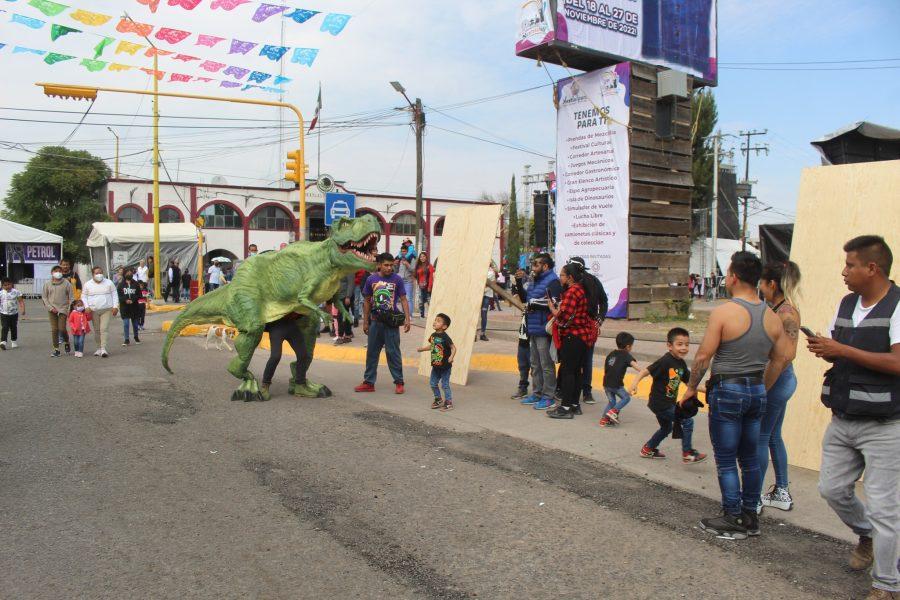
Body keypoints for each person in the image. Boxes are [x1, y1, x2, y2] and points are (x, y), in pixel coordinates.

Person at [807, 235, 899, 600]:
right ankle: (868, 536)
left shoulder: (896, 306)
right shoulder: (847, 303)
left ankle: (886, 585)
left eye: (850, 265)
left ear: (872, 268)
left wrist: (842, 348)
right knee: (831, 488)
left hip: (885, 425)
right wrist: (826, 350)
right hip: (843, 418)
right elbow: (841, 353)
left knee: (884, 507)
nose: (844, 272)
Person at [681, 251, 792, 540]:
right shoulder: (772, 316)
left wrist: (691, 388)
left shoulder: (724, 312)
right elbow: (781, 359)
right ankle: (750, 517)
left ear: (733, 277)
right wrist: (762, 388)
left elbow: (704, 356)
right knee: (751, 460)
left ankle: (732, 517)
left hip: (727, 390)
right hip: (756, 390)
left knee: (727, 458)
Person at [756, 261, 802, 513]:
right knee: (773, 435)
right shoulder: (779, 309)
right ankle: (781, 490)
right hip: (781, 382)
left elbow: (785, 357)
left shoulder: (785, 314)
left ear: (771, 284)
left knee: (761, 437)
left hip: (778, 382)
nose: (760, 287)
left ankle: (753, 497)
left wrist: (763, 388)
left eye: (762, 283)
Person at [630, 328, 706, 463]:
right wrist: (634, 383)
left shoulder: (681, 364)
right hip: (660, 404)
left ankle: (648, 449)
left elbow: (691, 384)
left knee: (666, 428)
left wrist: (709, 390)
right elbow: (645, 371)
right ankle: (687, 453)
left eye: (687, 345)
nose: (684, 348)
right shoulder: (665, 361)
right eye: (680, 344)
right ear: (669, 346)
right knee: (688, 421)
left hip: (666, 404)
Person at [546, 262, 600, 419]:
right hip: (582, 337)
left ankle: (565, 407)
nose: (560, 277)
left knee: (568, 372)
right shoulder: (581, 290)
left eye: (562, 275)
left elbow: (564, 316)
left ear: (570, 277)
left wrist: (552, 308)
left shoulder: (572, 292)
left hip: (573, 336)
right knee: (576, 372)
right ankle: (575, 404)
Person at [355, 253, 411, 394]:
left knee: (393, 353)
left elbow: (404, 299)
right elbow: (367, 301)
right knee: (372, 353)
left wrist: (407, 319)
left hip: (391, 324)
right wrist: (365, 322)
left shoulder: (397, 280)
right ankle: (369, 382)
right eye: (386, 265)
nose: (389, 268)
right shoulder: (371, 279)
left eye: (391, 265)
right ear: (379, 265)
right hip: (375, 323)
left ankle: (399, 382)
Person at [521, 253, 562, 410]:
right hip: (532, 327)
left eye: (536, 264)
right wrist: (519, 281)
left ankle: (548, 396)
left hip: (543, 329)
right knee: (535, 364)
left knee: (546, 364)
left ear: (545, 266)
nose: (533, 267)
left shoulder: (553, 281)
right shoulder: (534, 280)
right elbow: (526, 298)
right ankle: (537, 393)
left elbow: (555, 303)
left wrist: (535, 305)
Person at [567, 256, 608, 404]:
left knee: (582, 360)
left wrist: (599, 318)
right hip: (580, 326)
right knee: (580, 360)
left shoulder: (589, 282)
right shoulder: (571, 283)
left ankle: (583, 393)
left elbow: (603, 300)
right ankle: (575, 393)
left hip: (582, 327)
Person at [260, 313, 308, 401]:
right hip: (276, 325)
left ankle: (300, 385)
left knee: (303, 354)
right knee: (275, 356)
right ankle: (265, 385)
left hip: (291, 324)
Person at [599, 332, 640, 427]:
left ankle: (604, 420)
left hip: (606, 383)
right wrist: (646, 371)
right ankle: (613, 412)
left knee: (612, 402)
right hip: (616, 384)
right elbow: (636, 367)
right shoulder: (626, 355)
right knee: (626, 398)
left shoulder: (611, 354)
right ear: (628, 346)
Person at [417, 312, 456, 411]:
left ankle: (448, 402)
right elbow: (432, 346)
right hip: (435, 365)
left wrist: (451, 357)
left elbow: (454, 348)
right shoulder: (433, 335)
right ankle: (438, 399)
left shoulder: (445, 337)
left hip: (445, 366)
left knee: (445, 385)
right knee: (433, 383)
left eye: (438, 321)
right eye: (435, 320)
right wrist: (422, 349)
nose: (435, 322)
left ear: (444, 326)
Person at [81, 266, 119, 358]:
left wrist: (115, 306)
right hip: (93, 310)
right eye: (97, 273)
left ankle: (103, 348)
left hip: (106, 309)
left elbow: (114, 294)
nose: (99, 275)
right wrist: (86, 307)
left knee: (104, 329)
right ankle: (98, 348)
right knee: (97, 330)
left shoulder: (109, 282)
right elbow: (84, 296)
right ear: (93, 274)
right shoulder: (87, 284)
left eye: (100, 272)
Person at [42, 265, 73, 357]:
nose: (58, 273)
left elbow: (71, 297)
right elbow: (44, 297)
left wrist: (69, 308)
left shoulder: (66, 283)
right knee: (54, 329)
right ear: (52, 273)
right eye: (56, 271)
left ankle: (66, 341)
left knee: (62, 329)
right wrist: (50, 308)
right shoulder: (47, 284)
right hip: (52, 309)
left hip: (63, 308)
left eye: (60, 271)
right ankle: (56, 349)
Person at [510, 267, 531, 400]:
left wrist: (528, 277)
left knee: (537, 365)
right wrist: (518, 281)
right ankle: (522, 387)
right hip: (524, 332)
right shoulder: (529, 284)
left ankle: (541, 392)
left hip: (534, 332)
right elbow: (523, 297)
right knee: (522, 363)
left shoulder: (542, 284)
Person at [117, 267, 142, 346]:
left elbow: (139, 295)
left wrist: (133, 300)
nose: (129, 274)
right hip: (125, 307)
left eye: (130, 273)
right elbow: (119, 296)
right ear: (124, 274)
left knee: (135, 324)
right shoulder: (121, 285)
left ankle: (136, 336)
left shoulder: (136, 284)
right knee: (126, 324)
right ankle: (126, 339)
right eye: (127, 273)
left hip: (134, 307)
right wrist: (125, 300)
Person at [0, 277, 26, 350]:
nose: (7, 286)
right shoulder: (1, 293)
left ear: (12, 284)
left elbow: (21, 301)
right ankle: (3, 342)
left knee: (13, 327)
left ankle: (14, 341)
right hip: (3, 313)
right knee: (4, 327)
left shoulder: (16, 292)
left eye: (8, 284)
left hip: (14, 313)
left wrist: (23, 309)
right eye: (5, 285)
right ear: (2, 286)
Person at [335, 271, 357, 344]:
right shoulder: (340, 268)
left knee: (340, 316)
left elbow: (351, 283)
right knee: (345, 315)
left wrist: (348, 296)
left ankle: (340, 336)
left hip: (345, 296)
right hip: (339, 296)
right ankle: (348, 334)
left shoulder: (349, 269)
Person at [479, 263, 497, 341]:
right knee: (474, 315)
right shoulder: (478, 270)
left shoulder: (491, 272)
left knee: (484, 315)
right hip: (478, 295)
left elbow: (488, 282)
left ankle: (482, 333)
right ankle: (472, 334)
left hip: (486, 295)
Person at [414, 252, 434, 319]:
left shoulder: (429, 266)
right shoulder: (418, 266)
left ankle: (432, 315)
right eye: (421, 257)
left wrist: (429, 287)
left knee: (429, 301)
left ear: (426, 257)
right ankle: (422, 315)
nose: (422, 258)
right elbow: (416, 276)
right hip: (421, 286)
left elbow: (431, 277)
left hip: (428, 286)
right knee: (421, 302)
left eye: (423, 256)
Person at [397, 249, 416, 316]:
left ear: (407, 252)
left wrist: (407, 264)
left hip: (408, 281)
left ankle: (409, 315)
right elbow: (396, 270)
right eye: (402, 251)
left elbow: (413, 270)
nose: (403, 253)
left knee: (408, 299)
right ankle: (403, 314)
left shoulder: (412, 259)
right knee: (402, 298)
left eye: (405, 251)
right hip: (400, 281)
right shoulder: (399, 258)